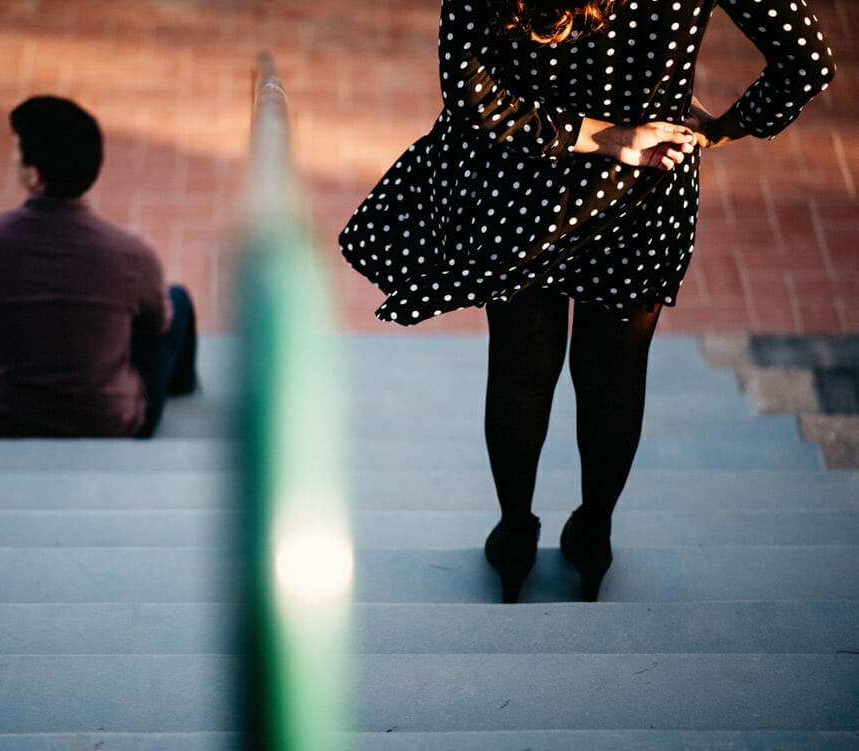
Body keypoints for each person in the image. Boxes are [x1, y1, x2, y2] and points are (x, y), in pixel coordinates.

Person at [340, 0, 833, 602]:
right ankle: (593, 534)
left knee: (522, 364)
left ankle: (515, 534)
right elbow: (806, 61)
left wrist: (600, 137)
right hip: (644, 191)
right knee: (616, 376)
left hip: (518, 184)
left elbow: (469, 91)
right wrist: (720, 129)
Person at [0, 95, 198, 439]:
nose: (13, 158)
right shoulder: (132, 253)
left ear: (35, 176)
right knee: (175, 301)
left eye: (18, 151)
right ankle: (182, 386)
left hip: (4, 422)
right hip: (113, 424)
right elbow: (156, 324)